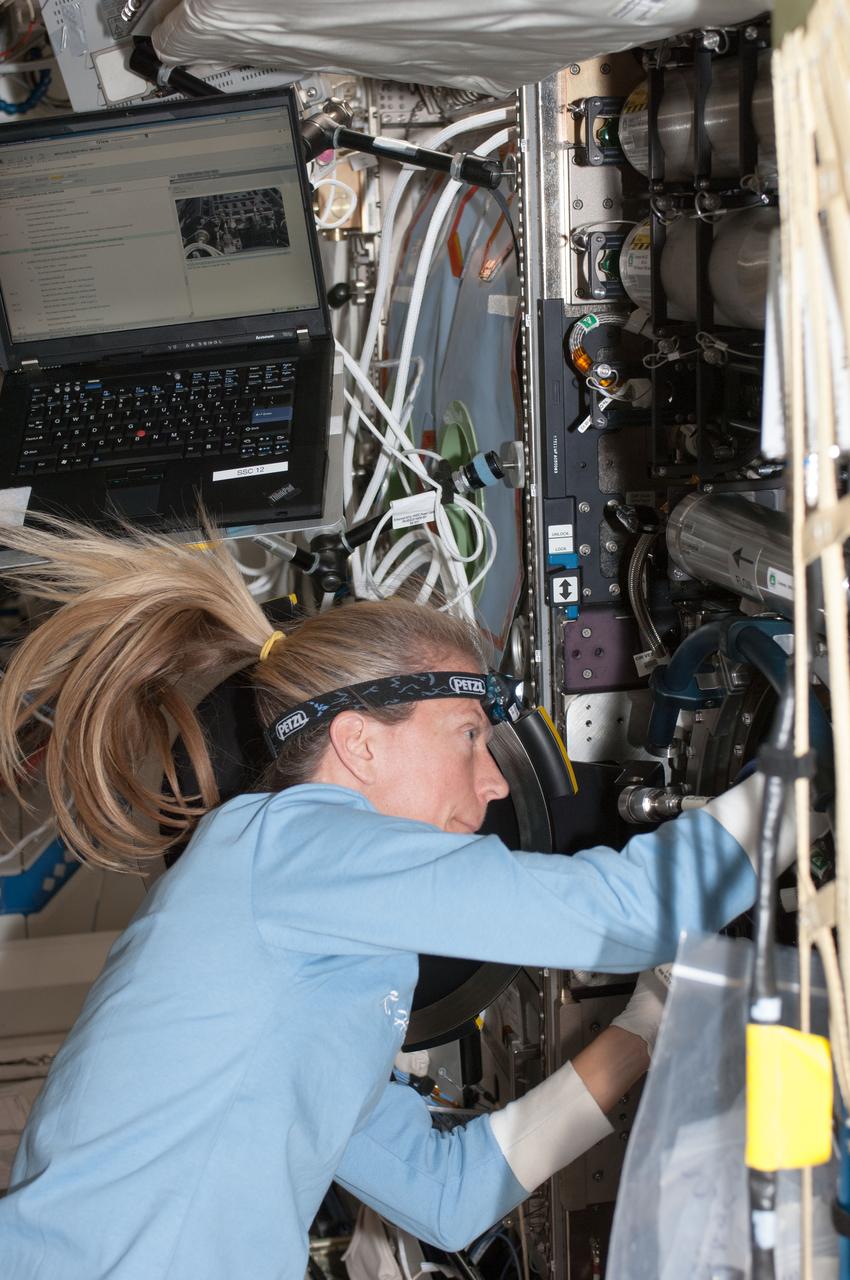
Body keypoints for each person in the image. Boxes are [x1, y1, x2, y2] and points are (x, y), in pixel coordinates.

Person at [0, 515, 791, 1280]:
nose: (490, 784)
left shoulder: (315, 946)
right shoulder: (286, 847)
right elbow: (631, 911)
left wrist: (647, 1023)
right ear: (361, 742)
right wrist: (809, 772)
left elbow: (448, 1196)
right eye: (468, 734)